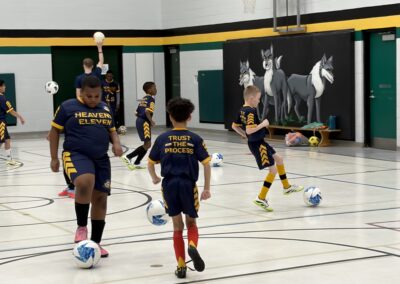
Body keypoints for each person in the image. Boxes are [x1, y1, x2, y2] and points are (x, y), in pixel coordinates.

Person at [48, 75, 123, 257]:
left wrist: (116, 143)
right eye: (89, 96)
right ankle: (81, 227)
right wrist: (54, 158)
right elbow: (54, 131)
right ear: (81, 92)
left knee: (101, 198)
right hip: (75, 154)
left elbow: (111, 130)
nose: (93, 99)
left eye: (97, 96)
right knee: (84, 181)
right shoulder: (67, 107)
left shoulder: (105, 108)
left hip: (101, 159)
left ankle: (95, 244)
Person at [147, 97, 211, 279]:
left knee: (177, 226)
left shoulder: (162, 138)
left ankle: (181, 266)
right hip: (188, 185)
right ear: (189, 117)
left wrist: (154, 178)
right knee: (191, 222)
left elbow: (150, 163)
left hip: (169, 185)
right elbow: (206, 163)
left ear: (170, 117)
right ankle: (192, 245)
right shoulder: (195, 139)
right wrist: (206, 188)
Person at [231, 85, 303, 212]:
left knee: (279, 159)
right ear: (252, 98)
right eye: (258, 98)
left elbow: (234, 126)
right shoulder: (251, 111)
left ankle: (286, 187)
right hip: (258, 144)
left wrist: (246, 136)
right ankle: (261, 198)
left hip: (259, 142)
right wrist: (263, 124)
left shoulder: (242, 110)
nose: (259, 101)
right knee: (273, 170)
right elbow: (249, 129)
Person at [58, 41, 104, 197]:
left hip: (81, 113)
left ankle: (72, 187)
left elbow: (78, 94)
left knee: (70, 154)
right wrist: (99, 47)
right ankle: (82, 186)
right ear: (92, 65)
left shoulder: (79, 78)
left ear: (83, 65)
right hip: (95, 115)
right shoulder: (97, 74)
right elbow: (101, 62)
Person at [121, 81, 156, 170]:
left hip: (140, 120)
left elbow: (136, 112)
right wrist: (151, 121)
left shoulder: (144, 99)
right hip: (144, 122)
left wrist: (142, 119)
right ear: (149, 90)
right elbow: (147, 111)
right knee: (148, 144)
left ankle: (137, 162)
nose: (156, 90)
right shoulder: (151, 99)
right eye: (154, 88)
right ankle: (128, 157)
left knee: (146, 143)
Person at [0, 79, 25, 164]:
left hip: (2, 122)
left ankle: (9, 159)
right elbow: (11, 111)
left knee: (7, 139)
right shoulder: (2, 98)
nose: (5, 87)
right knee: (1, 141)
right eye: (3, 86)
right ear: (0, 87)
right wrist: (20, 117)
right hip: (1, 123)